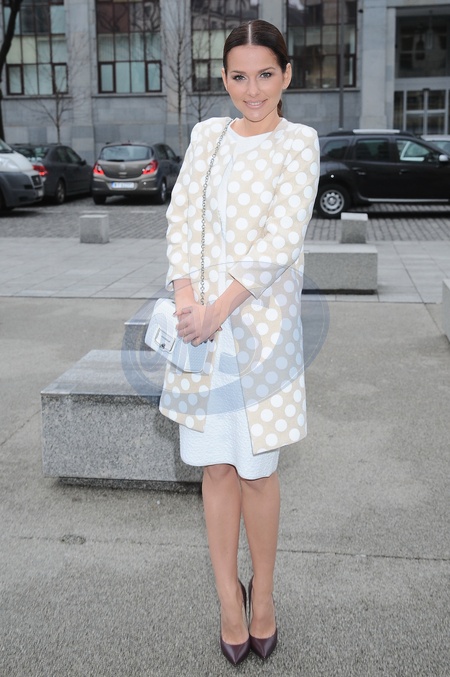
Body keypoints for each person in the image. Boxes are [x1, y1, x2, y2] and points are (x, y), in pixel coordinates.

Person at [160, 19, 319, 666]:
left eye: (265, 75)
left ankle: (264, 597)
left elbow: (280, 243)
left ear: (287, 75)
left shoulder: (299, 143)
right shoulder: (207, 136)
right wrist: (185, 301)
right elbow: (181, 217)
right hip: (201, 332)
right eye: (238, 76)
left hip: (261, 333)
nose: (252, 90)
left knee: (258, 471)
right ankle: (229, 597)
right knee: (216, 467)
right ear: (224, 79)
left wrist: (216, 311)